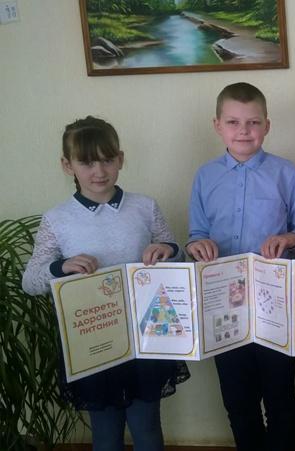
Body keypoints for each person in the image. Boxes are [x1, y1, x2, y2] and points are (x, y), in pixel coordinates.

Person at [22, 116, 189, 451]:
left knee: (147, 427)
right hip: (93, 342)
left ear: (120, 159)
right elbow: (31, 281)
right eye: (87, 162)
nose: (99, 171)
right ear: (67, 165)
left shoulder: (144, 207)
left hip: (144, 338)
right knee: (106, 433)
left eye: (107, 160)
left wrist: (167, 250)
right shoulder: (57, 219)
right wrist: (61, 266)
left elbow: (176, 255)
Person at [187, 82, 295, 450]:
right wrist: (197, 245)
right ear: (217, 126)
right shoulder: (205, 176)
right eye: (233, 122)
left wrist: (288, 239)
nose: (243, 131)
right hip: (224, 307)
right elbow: (196, 234)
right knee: (238, 400)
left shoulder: (287, 173)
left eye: (253, 122)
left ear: (267, 125)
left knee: (281, 398)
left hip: (275, 304)